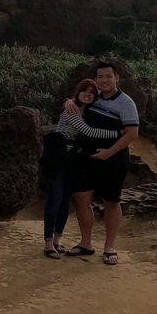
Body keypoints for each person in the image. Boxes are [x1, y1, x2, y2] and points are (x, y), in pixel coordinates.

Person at [64, 62, 139, 265]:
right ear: (96, 79)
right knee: (81, 197)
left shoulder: (126, 102)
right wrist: (68, 101)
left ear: (117, 78)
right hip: (87, 156)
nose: (104, 80)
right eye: (100, 77)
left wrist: (108, 153)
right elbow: (78, 98)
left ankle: (109, 247)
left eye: (108, 76)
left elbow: (132, 134)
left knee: (111, 202)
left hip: (114, 158)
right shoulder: (94, 97)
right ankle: (86, 243)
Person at [42, 78, 120, 259]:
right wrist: (119, 133)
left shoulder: (87, 113)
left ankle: (57, 240)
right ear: (77, 93)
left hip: (73, 161)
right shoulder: (71, 111)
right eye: (84, 91)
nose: (88, 94)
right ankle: (48, 243)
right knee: (55, 199)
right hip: (58, 159)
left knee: (65, 200)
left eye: (92, 93)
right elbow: (90, 132)